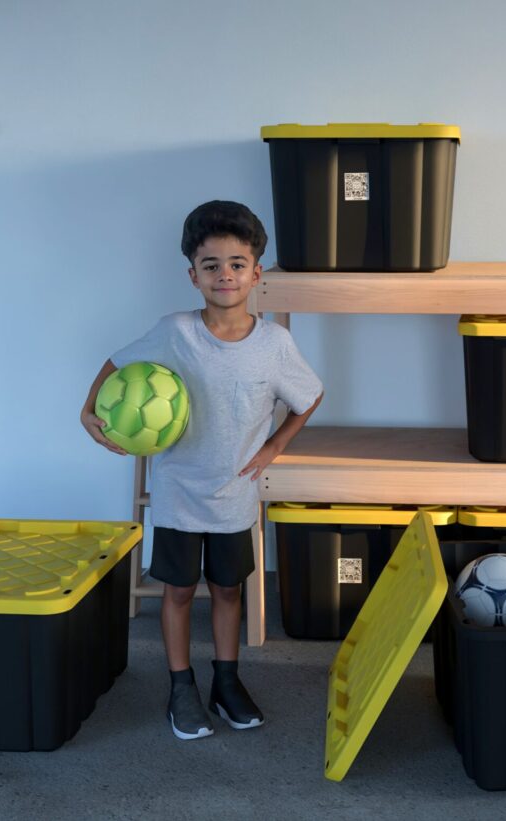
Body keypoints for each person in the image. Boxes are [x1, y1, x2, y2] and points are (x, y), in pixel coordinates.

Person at [80, 201, 323, 740]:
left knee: (229, 589)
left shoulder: (275, 345)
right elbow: (116, 364)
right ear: (193, 275)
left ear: (256, 273)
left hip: (234, 495)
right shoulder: (175, 333)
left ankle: (227, 681)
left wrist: (275, 446)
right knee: (179, 592)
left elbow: (309, 396)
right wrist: (87, 410)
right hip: (178, 493)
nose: (225, 275)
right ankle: (181, 686)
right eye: (211, 265)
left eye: (237, 263)